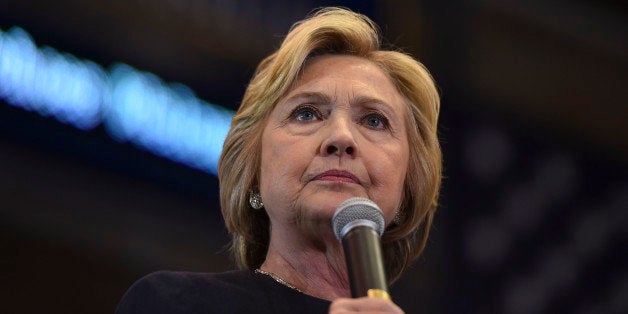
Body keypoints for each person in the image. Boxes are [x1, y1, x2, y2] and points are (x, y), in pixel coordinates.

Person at [116, 7, 441, 314]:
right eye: (307, 113)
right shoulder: (177, 305)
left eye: (373, 121)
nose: (341, 137)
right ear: (253, 175)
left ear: (407, 190)